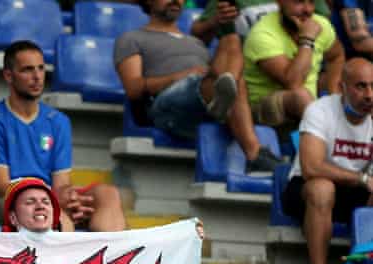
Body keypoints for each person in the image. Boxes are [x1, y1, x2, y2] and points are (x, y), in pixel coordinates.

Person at [0, 40, 127, 232]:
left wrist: (72, 199)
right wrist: (53, 198)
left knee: (107, 194)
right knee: (52, 210)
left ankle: (111, 257)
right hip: (0, 202)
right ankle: (67, 257)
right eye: (27, 70)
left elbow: (62, 185)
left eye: (41, 68)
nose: (37, 76)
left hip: (46, 198)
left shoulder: (58, 121)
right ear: (8, 76)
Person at [115, 0, 282, 174]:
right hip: (166, 108)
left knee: (231, 43)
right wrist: (182, 76)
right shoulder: (131, 38)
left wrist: (220, 24)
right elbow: (133, 89)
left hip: (200, 96)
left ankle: (221, 100)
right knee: (229, 81)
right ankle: (254, 153)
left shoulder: (196, 43)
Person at [283, 58, 373, 264]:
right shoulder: (320, 110)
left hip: (353, 191)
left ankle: (365, 259)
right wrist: (363, 178)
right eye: (361, 86)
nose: (369, 95)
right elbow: (311, 167)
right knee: (323, 188)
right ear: (343, 87)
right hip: (304, 189)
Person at [243, 0, 345, 129]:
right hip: (263, 107)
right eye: (299, 1)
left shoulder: (320, 25)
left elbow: (336, 56)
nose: (307, 9)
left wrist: (334, 96)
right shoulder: (263, 35)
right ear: (280, 2)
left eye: (311, 2)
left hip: (308, 107)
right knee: (300, 96)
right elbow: (293, 84)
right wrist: (307, 40)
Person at [190, 0, 330, 44]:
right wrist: (215, 21)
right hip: (248, 66)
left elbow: (324, 25)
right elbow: (197, 36)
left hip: (298, 54)